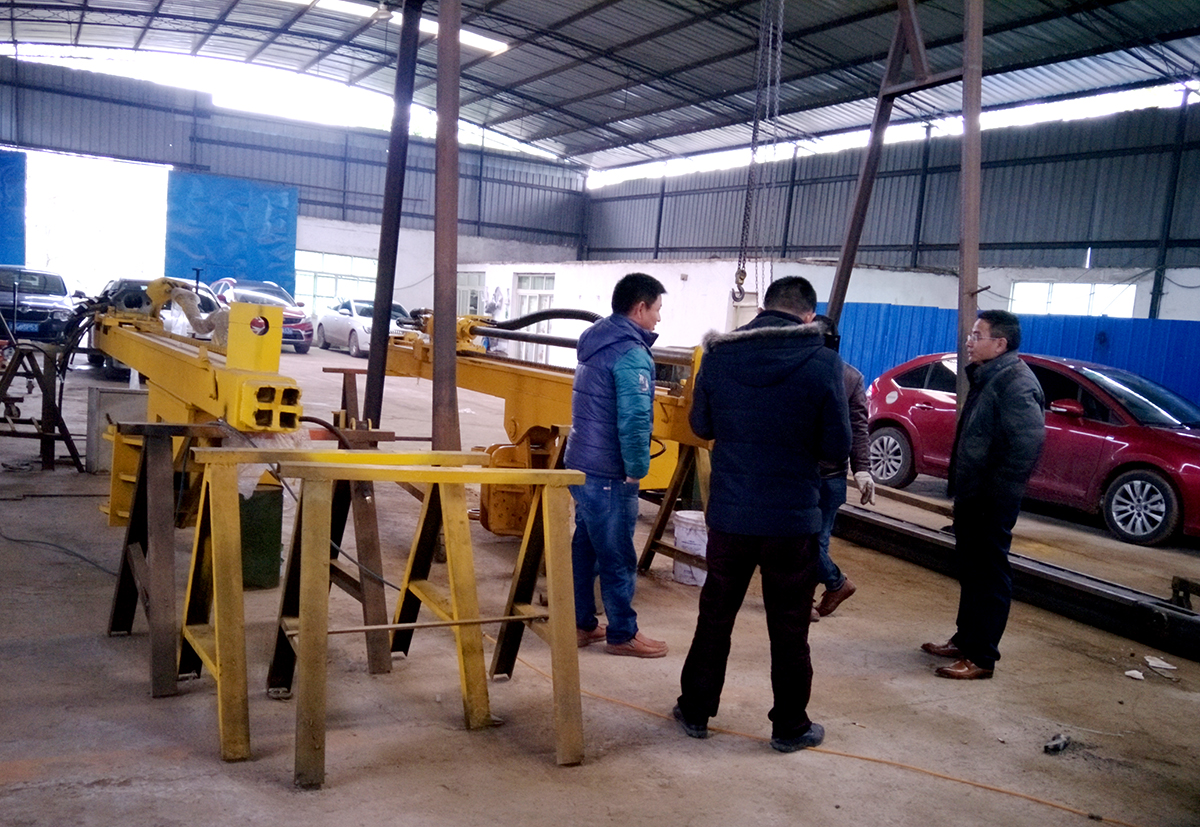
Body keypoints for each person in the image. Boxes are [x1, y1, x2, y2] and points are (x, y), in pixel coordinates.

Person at [674, 276, 850, 752]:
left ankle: (695, 711)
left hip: (731, 516)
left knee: (715, 615)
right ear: (808, 316)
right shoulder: (823, 362)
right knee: (790, 625)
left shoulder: (719, 356)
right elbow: (837, 446)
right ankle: (790, 727)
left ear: (762, 311)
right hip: (792, 521)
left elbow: (701, 425)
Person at [922, 309, 1045, 679]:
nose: (969, 342)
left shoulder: (1016, 383)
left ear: (1000, 343)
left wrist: (992, 494)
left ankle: (982, 656)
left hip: (992, 500)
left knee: (989, 574)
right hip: (975, 496)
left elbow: (1025, 447)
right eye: (970, 335)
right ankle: (965, 640)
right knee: (972, 570)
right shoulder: (989, 375)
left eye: (977, 336)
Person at [565, 272, 669, 658]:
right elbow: (635, 417)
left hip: (582, 461)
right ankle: (623, 633)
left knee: (586, 547)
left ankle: (581, 623)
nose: (658, 318)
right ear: (640, 308)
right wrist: (636, 468)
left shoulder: (597, 340)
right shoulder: (631, 353)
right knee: (618, 554)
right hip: (609, 471)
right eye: (657, 309)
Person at [810, 314, 874, 621]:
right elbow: (858, 427)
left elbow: (858, 427)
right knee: (814, 539)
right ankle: (827, 589)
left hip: (820, 475)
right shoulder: (850, 376)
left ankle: (831, 585)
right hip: (826, 475)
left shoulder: (845, 378)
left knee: (808, 540)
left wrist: (863, 469)